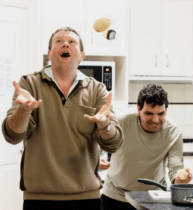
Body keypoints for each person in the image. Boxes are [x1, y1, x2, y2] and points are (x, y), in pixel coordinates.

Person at [1, 27, 124, 210]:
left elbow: (113, 143)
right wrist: (22, 112)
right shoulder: (29, 84)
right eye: (58, 41)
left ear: (81, 55)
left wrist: (105, 125)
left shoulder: (97, 89)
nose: (65, 43)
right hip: (39, 199)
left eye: (72, 42)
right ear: (49, 54)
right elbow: (12, 136)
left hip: (87, 198)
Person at [100, 84, 193, 210]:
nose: (155, 119)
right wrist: (95, 158)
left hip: (153, 198)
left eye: (161, 114)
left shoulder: (173, 133)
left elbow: (175, 170)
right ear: (138, 109)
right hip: (116, 195)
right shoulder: (121, 120)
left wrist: (179, 181)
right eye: (149, 113)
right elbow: (99, 142)